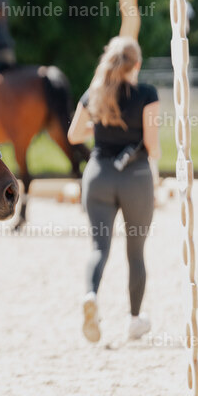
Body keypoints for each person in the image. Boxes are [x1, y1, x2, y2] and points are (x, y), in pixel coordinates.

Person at [67, 36, 160, 343]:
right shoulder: (147, 93)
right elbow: (152, 145)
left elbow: (74, 135)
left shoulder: (94, 92)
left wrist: (102, 125)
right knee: (136, 252)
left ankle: (91, 294)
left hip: (97, 176)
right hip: (135, 178)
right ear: (137, 64)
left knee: (98, 248)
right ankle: (134, 320)